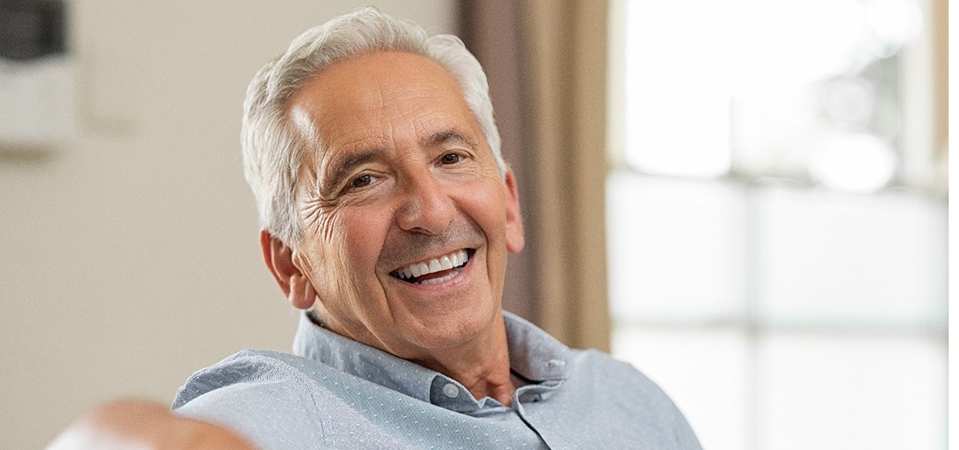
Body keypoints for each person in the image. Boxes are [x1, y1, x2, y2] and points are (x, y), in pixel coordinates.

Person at [48, 7, 701, 450]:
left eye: (451, 158)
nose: (432, 212)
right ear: (290, 265)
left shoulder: (631, 404)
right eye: (363, 179)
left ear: (509, 203)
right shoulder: (280, 419)